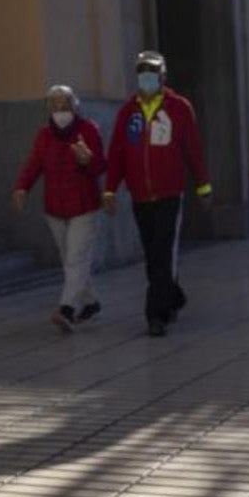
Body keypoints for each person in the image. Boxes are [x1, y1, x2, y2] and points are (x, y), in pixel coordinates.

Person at [103, 50, 213, 337]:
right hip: (140, 195)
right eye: (142, 72)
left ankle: (156, 315)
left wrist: (204, 186)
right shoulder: (128, 113)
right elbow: (117, 153)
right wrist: (110, 189)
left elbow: (194, 150)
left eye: (152, 72)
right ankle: (173, 295)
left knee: (162, 252)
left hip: (169, 193)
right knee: (153, 255)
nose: (147, 77)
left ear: (163, 76)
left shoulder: (179, 108)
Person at [13, 85, 106, 333]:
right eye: (55, 106)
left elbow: (100, 166)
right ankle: (91, 302)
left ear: (74, 107)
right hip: (55, 208)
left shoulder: (88, 130)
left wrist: (87, 160)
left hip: (84, 206)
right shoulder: (45, 135)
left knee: (76, 258)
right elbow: (34, 164)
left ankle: (66, 309)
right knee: (71, 260)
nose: (60, 111)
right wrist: (22, 187)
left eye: (64, 106)